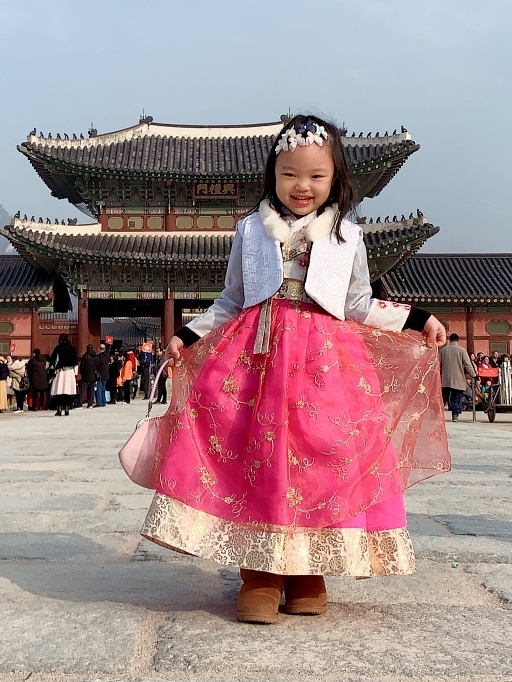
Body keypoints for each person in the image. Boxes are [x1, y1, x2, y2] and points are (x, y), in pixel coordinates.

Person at [152, 115, 449, 624]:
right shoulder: (250, 230)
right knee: (259, 457)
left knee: (321, 458)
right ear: (273, 174)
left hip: (325, 364)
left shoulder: (347, 236)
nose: (302, 186)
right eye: (289, 174)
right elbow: (232, 300)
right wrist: (186, 335)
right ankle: (260, 574)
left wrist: (418, 319)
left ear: (336, 178)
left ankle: (310, 571)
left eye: (316, 175)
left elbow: (357, 303)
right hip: (257, 359)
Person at [440, 333, 476, 422]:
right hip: (458, 378)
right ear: (457, 340)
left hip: (445, 378)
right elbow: (468, 364)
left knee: (443, 398)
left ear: (450, 340)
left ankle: (439, 414)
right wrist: (473, 374)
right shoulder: (462, 350)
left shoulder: (443, 350)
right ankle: (455, 415)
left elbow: (438, 364)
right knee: (457, 397)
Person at [49, 334, 78, 416]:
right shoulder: (72, 348)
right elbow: (75, 362)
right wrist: (75, 373)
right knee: (68, 391)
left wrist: (51, 372)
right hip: (70, 371)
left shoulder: (58, 348)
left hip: (60, 371)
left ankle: (59, 409)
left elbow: (53, 360)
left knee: (59, 391)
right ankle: (67, 409)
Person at [78, 344, 98, 409]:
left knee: (82, 390)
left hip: (85, 376)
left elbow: (82, 367)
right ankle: (90, 404)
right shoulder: (96, 357)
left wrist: (82, 373)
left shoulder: (85, 356)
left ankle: (80, 404)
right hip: (93, 376)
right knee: (91, 391)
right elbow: (98, 367)